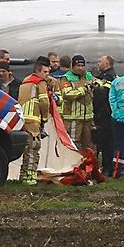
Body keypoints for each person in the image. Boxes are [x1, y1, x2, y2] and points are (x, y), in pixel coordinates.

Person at [17, 56, 52, 184]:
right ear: (38, 71)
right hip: (33, 121)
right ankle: (30, 177)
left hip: (22, 120)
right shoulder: (40, 83)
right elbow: (44, 102)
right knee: (33, 149)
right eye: (45, 72)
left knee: (26, 149)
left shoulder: (25, 81)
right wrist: (45, 118)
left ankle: (23, 175)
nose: (47, 75)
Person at [60, 54, 95, 152]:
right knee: (73, 145)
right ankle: (72, 165)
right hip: (72, 118)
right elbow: (67, 94)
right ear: (72, 66)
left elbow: (98, 82)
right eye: (78, 66)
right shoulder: (66, 78)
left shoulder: (88, 75)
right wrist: (83, 89)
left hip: (87, 118)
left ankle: (88, 166)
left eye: (82, 66)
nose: (80, 68)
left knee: (88, 145)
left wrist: (96, 85)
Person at [92, 55, 117, 176]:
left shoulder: (108, 78)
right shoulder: (108, 76)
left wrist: (93, 108)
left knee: (107, 143)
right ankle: (106, 167)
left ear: (107, 63)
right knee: (105, 142)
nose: (98, 64)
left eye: (100, 61)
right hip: (107, 114)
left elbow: (101, 96)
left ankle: (108, 168)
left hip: (105, 114)